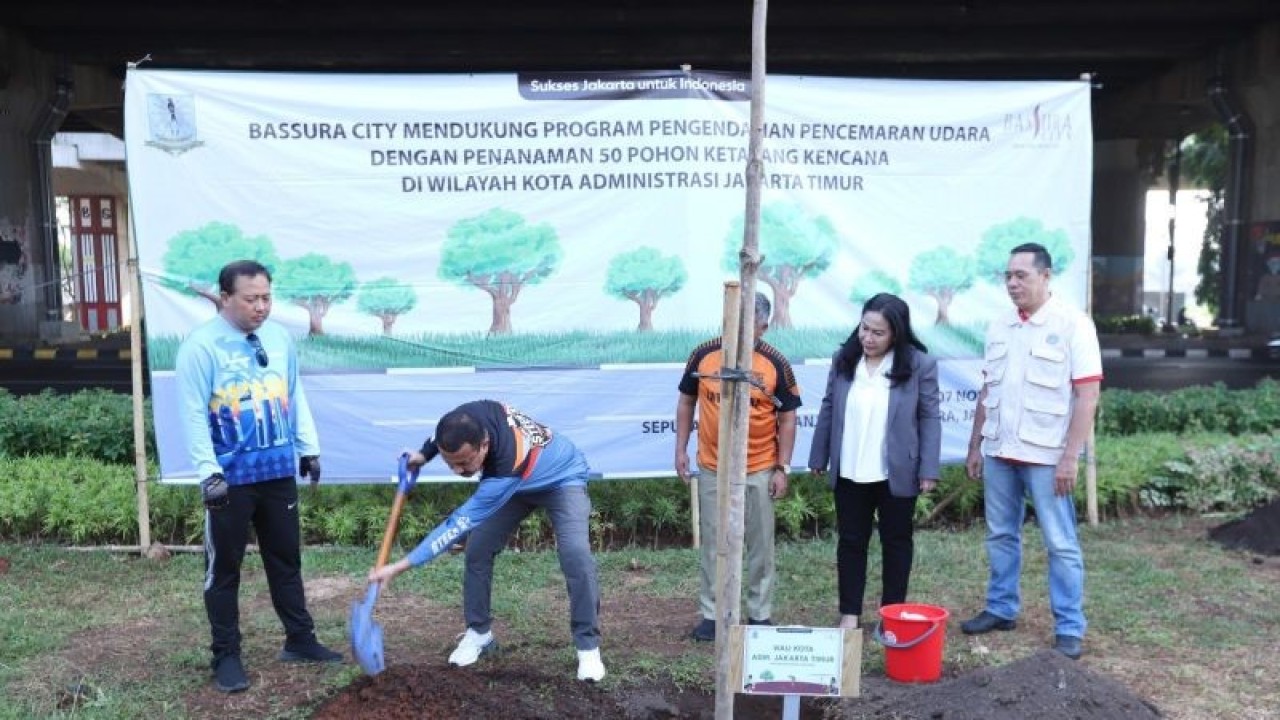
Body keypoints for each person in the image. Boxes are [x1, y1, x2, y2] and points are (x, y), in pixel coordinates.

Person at [176, 259, 341, 694]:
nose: (261, 307)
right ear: (225, 297)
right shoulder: (200, 346)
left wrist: (308, 448)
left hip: (276, 472)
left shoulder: (280, 338)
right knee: (224, 569)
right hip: (228, 479)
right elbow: (192, 414)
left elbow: (293, 392)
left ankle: (300, 640)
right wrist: (208, 472)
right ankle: (226, 655)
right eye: (251, 299)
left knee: (285, 559)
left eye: (267, 297)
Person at [367, 400, 606, 682]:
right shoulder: (465, 418)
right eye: (450, 463)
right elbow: (438, 436)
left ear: (484, 444)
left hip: (560, 478)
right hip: (516, 485)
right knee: (478, 549)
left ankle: (588, 646)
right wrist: (424, 454)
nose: (459, 471)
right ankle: (479, 632)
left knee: (575, 554)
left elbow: (456, 526)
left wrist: (398, 567)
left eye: (466, 462)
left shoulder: (506, 463)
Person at [961, 242, 1102, 661]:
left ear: (1045, 276)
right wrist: (976, 446)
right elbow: (988, 388)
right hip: (1000, 449)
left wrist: (1070, 457)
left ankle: (1070, 627)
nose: (1012, 283)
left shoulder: (1074, 324)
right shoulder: (1000, 325)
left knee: (1060, 542)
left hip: (1047, 456)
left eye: (1021, 275)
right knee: (1000, 534)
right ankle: (1001, 608)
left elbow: (1088, 395)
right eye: (1007, 276)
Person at [808, 293, 941, 631]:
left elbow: (929, 418)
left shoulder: (918, 365)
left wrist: (928, 468)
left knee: (896, 543)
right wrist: (819, 454)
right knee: (851, 541)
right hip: (851, 468)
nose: (867, 338)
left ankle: (892, 613)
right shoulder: (844, 359)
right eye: (864, 328)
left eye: (877, 333)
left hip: (896, 471)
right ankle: (850, 612)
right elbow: (828, 407)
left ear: (896, 333)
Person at [675, 291, 801, 641]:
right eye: (730, 321)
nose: (735, 330)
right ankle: (713, 615)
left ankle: (759, 614)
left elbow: (788, 418)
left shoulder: (775, 363)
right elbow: (686, 401)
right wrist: (680, 449)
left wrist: (782, 468)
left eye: (746, 324)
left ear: (763, 326)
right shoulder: (704, 355)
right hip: (714, 466)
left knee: (760, 544)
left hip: (760, 467)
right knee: (714, 541)